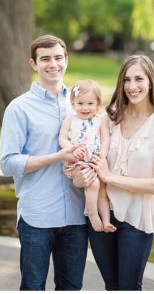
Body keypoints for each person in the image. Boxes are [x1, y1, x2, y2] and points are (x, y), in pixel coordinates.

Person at [0, 35, 89, 290]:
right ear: (33, 63)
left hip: (75, 218)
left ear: (66, 60)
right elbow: (8, 163)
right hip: (37, 218)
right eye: (45, 59)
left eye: (58, 57)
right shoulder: (19, 109)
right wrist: (57, 157)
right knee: (33, 287)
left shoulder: (79, 105)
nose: (53, 64)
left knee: (71, 287)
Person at [85, 54, 154, 290]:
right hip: (102, 215)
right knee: (112, 286)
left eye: (138, 79)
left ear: (150, 81)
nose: (132, 87)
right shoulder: (110, 119)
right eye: (126, 80)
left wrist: (110, 177)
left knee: (128, 287)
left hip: (137, 218)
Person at [58, 79, 114, 233]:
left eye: (90, 103)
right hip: (78, 162)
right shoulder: (70, 120)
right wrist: (71, 148)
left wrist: (102, 154)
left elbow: (105, 139)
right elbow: (62, 138)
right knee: (94, 183)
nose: (85, 108)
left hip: (96, 161)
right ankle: (92, 213)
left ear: (98, 104)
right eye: (80, 103)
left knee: (103, 189)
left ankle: (106, 220)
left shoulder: (100, 120)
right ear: (73, 103)